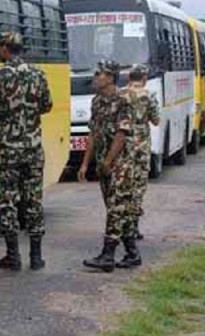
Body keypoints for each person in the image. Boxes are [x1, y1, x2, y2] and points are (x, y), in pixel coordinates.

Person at [0, 31, 53, 271]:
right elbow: (47, 105)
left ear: (4, 48)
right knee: (33, 200)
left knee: (6, 202)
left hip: (6, 150)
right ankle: (36, 256)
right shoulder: (38, 75)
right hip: (33, 148)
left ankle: (13, 255)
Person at [78, 60, 140, 272]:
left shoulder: (124, 100)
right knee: (117, 208)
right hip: (104, 161)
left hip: (121, 162)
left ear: (111, 77)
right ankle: (132, 253)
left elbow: (122, 135)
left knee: (115, 207)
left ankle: (108, 255)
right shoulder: (97, 102)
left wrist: (108, 161)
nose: (95, 77)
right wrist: (85, 163)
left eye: (99, 73)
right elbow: (94, 134)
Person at [121, 64, 160, 243]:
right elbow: (156, 120)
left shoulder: (120, 95)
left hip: (122, 146)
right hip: (141, 147)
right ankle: (134, 226)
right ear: (143, 78)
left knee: (123, 184)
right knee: (138, 185)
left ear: (129, 77)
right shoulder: (148, 95)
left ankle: (120, 223)